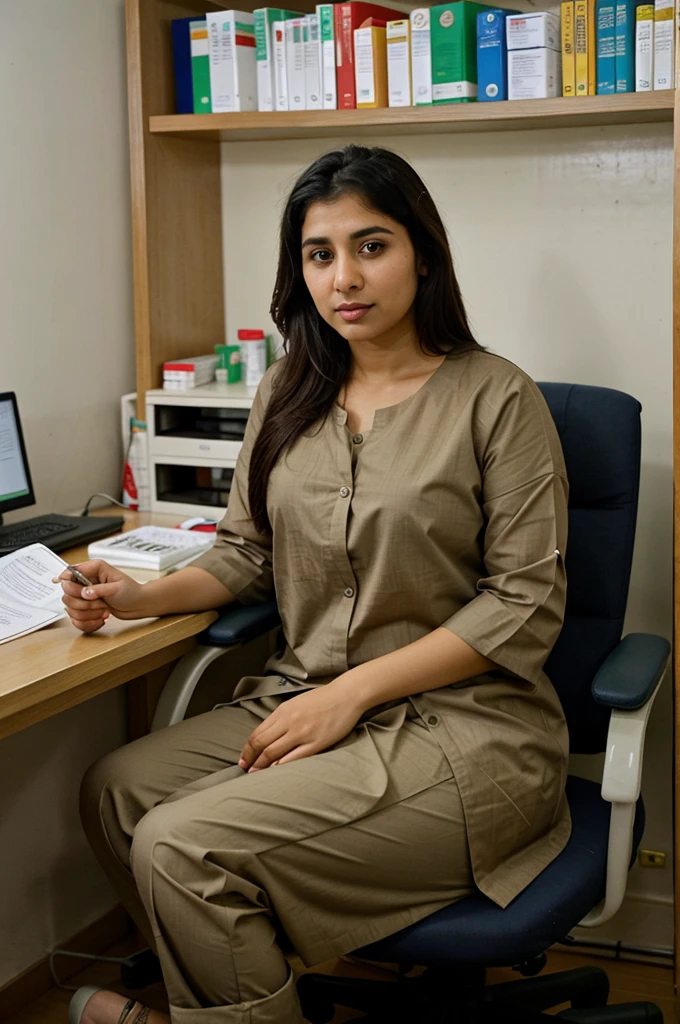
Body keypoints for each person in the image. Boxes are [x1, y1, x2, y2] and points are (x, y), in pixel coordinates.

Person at [60, 145, 570, 1024]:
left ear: (424, 254)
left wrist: (353, 693)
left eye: (371, 246)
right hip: (305, 700)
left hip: (465, 731)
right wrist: (136, 598)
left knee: (184, 846)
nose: (345, 277)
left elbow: (526, 601)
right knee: (116, 790)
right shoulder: (288, 390)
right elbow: (246, 551)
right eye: (319, 253)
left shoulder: (498, 397)